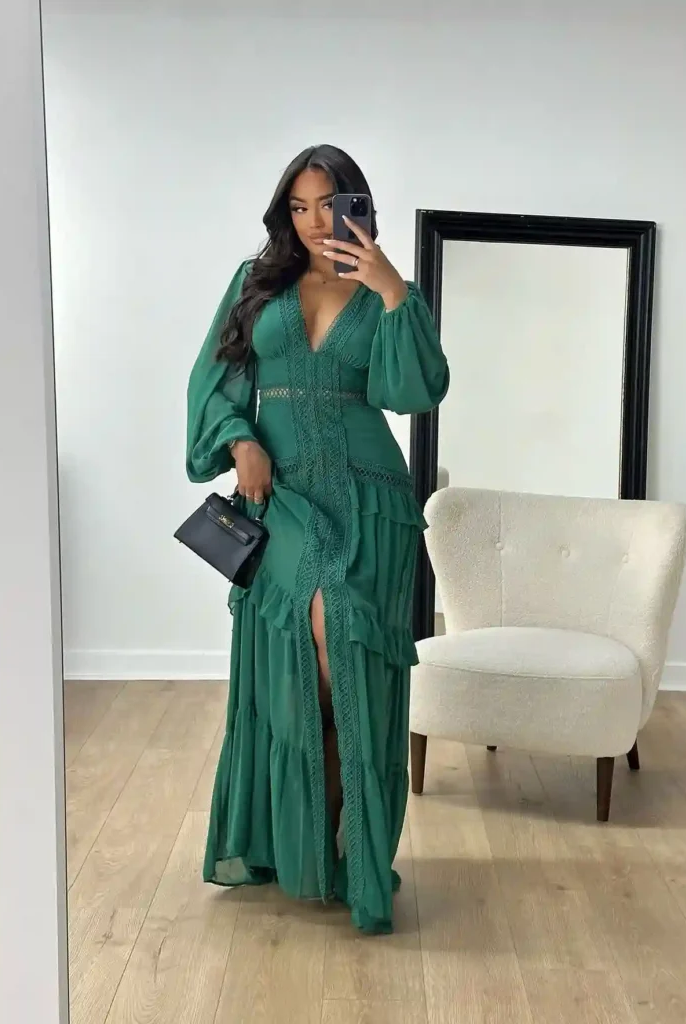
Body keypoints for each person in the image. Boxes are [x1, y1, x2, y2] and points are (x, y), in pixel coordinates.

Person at [185, 145, 449, 934]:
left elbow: (413, 391)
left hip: (369, 501)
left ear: (357, 204)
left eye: (328, 204)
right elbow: (212, 381)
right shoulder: (256, 282)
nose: (312, 221)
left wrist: (393, 290)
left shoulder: (386, 291)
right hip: (283, 498)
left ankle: (347, 848)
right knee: (303, 658)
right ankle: (300, 846)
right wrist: (240, 439)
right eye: (298, 207)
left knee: (347, 666)